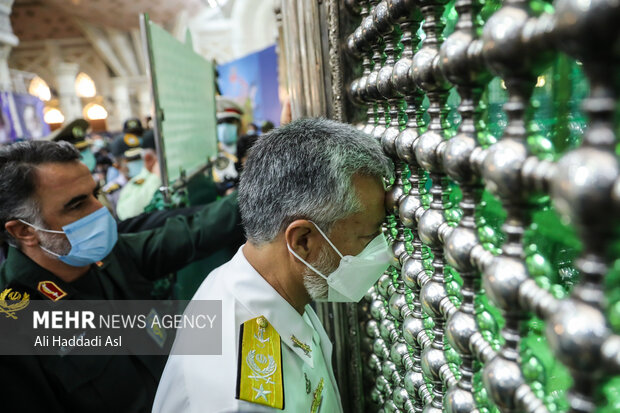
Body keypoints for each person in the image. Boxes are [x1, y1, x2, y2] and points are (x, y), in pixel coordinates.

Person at [153, 118, 394, 412]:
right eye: (368, 236)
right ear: (303, 240)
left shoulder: (259, 284)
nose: (382, 250)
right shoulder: (240, 398)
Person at [0, 139, 243, 412]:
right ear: (24, 231)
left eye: (96, 193)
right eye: (77, 205)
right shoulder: (13, 325)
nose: (100, 210)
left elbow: (194, 232)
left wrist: (268, 189)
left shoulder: (110, 255)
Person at [115, 130, 162, 220]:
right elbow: (129, 214)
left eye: (137, 158)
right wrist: (157, 177)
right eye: (131, 159)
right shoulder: (133, 185)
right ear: (149, 158)